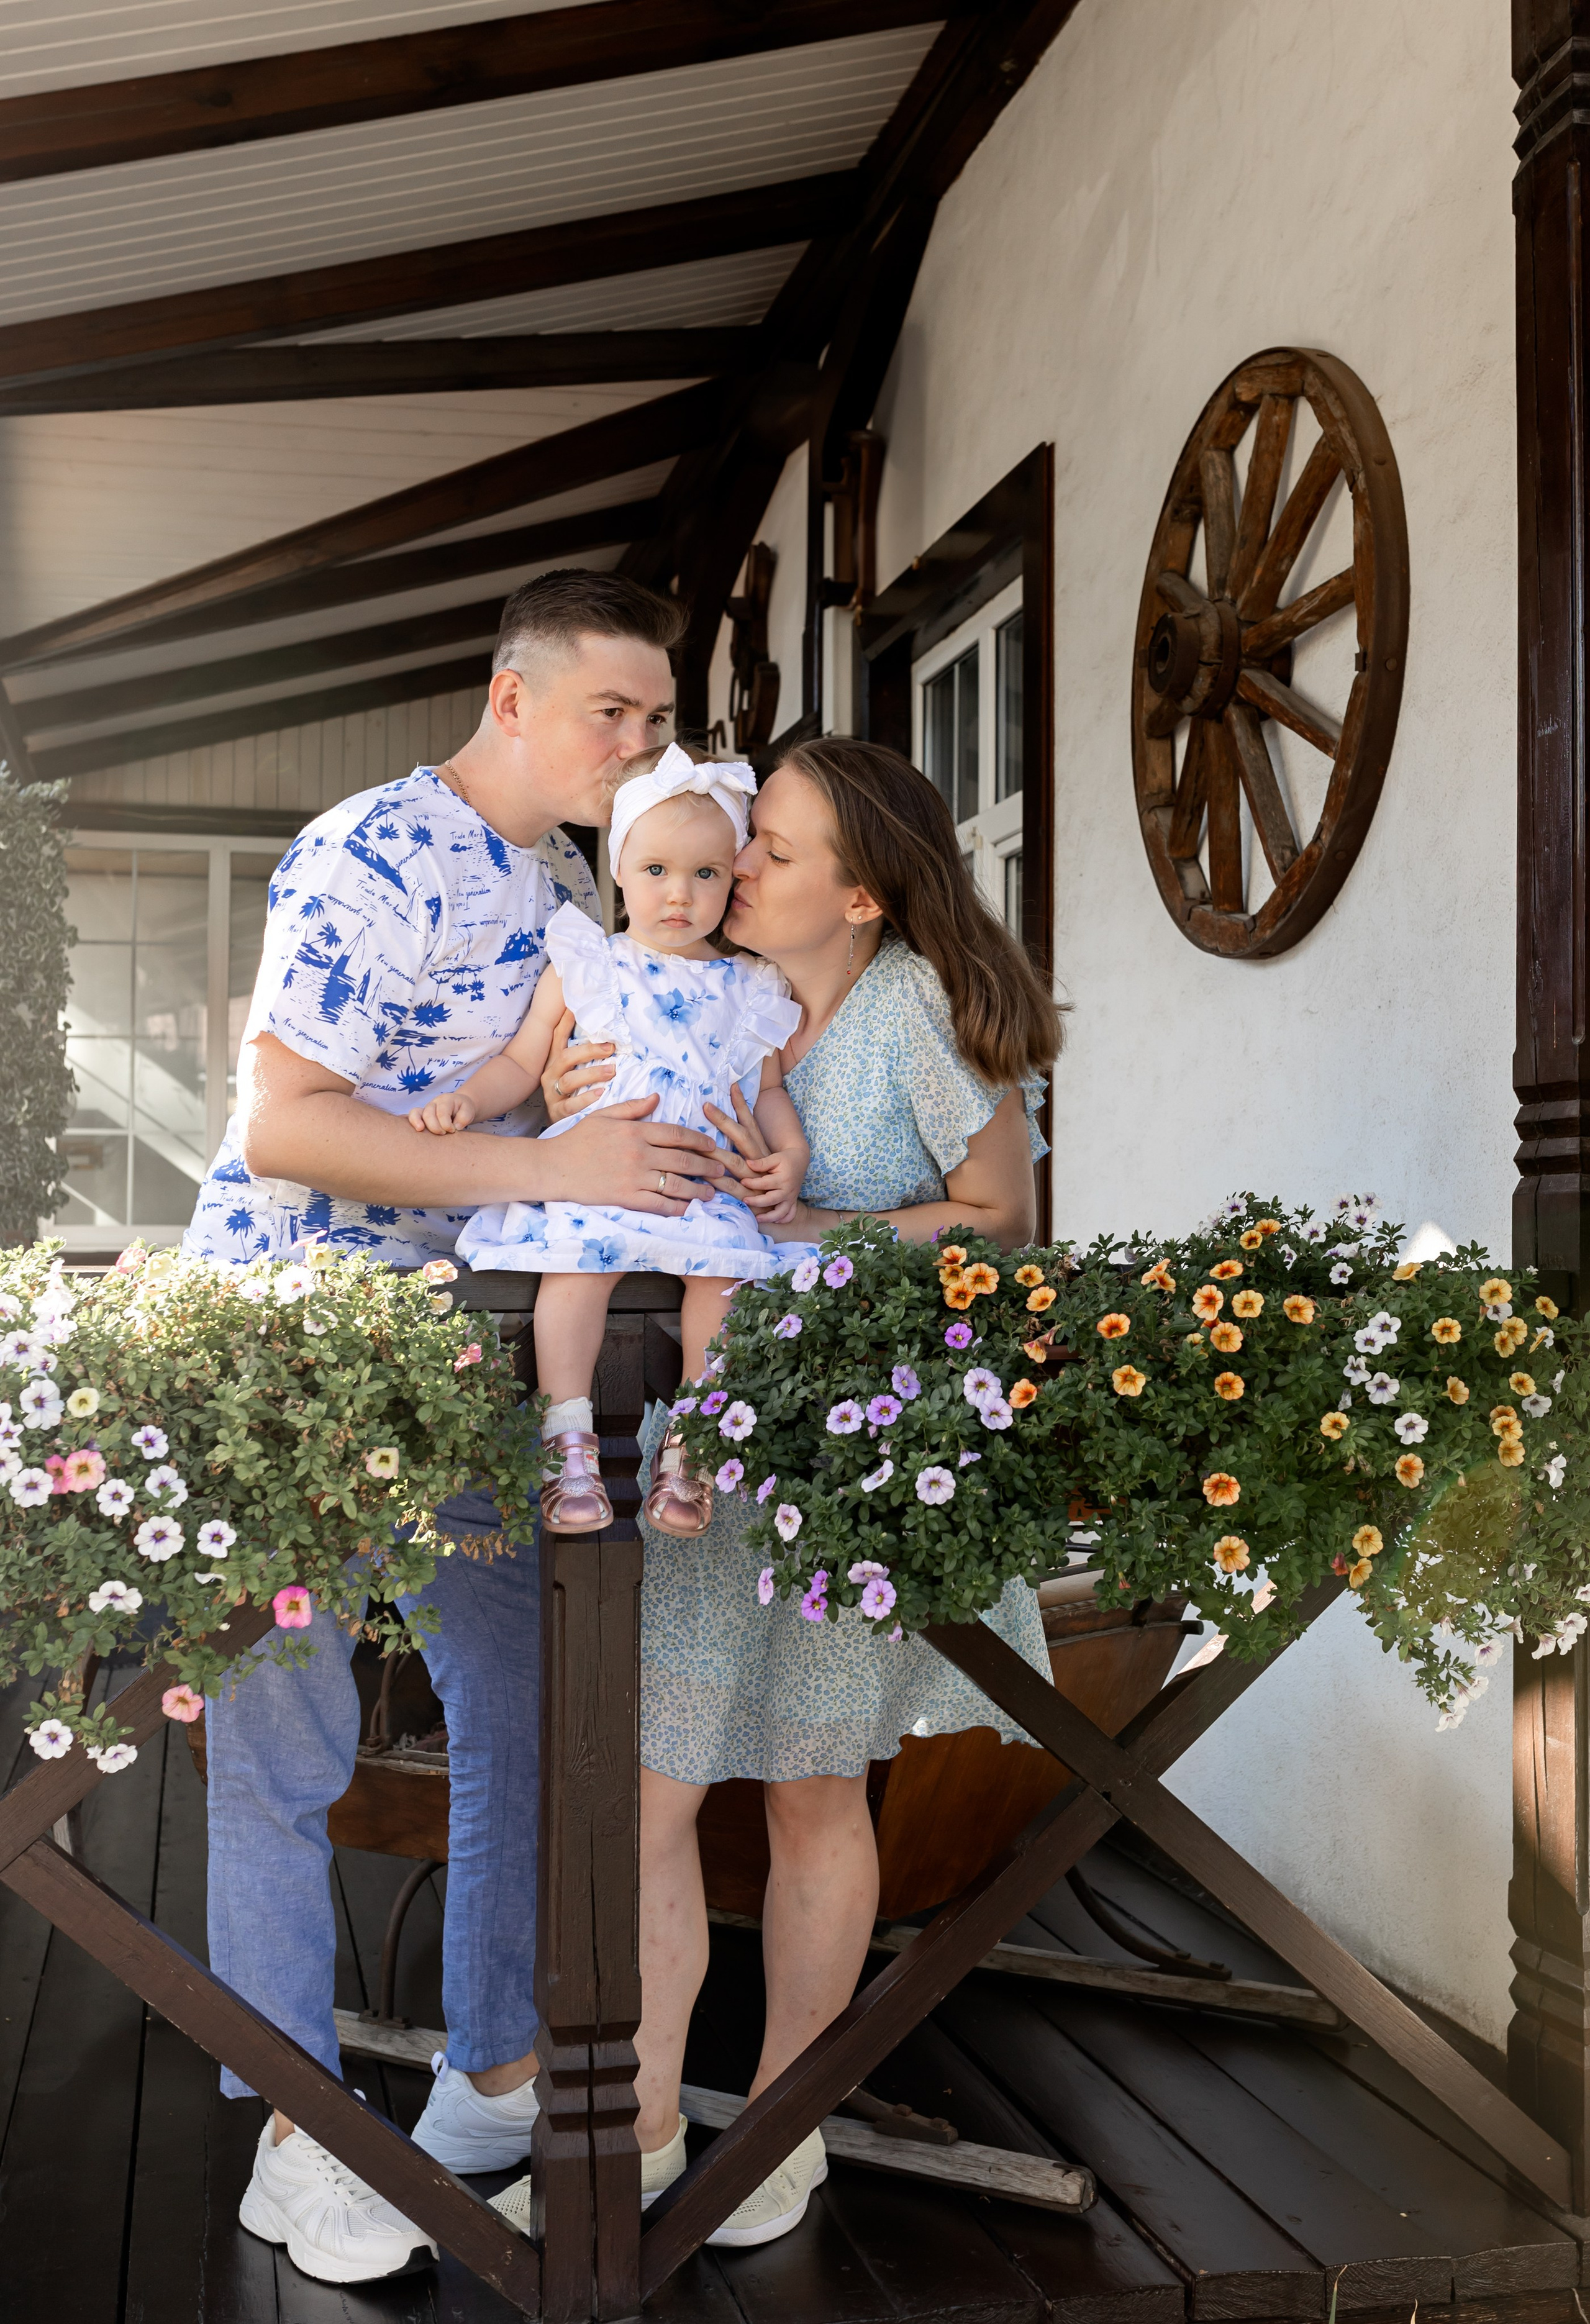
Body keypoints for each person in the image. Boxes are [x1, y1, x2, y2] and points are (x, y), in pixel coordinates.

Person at [182, 568, 729, 2286]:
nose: (639, 744)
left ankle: (495, 2068)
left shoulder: (575, 881)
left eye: (654, 719)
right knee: (287, 1741)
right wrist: (547, 1163)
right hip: (288, 1342)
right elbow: (284, 1124)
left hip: (458, 1358)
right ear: (513, 697)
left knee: (523, 1690)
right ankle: (292, 2123)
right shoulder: (371, 846)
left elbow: (560, 1097)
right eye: (612, 713)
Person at [487, 736, 1066, 2251]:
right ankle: (646, 2118)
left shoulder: (913, 1013)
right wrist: (569, 1088)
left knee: (813, 1791)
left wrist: (812, 1223)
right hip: (701, 1451)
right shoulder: (704, 992)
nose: (736, 865)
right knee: (655, 1783)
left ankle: (784, 2125)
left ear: (861, 897)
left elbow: (1002, 1224)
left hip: (837, 1460)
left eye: (775, 851)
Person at [419, 743, 808, 1537]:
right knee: (578, 1268)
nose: (680, 894)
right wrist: (464, 1099)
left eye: (706, 874)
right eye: (657, 870)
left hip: (701, 1183)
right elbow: (524, 1061)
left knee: (724, 1283)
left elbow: (767, 1090)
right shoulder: (590, 964)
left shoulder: (749, 986)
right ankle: (570, 1439)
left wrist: (787, 1157)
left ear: (731, 880)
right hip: (597, 1175)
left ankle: (689, 1449)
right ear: (621, 869)